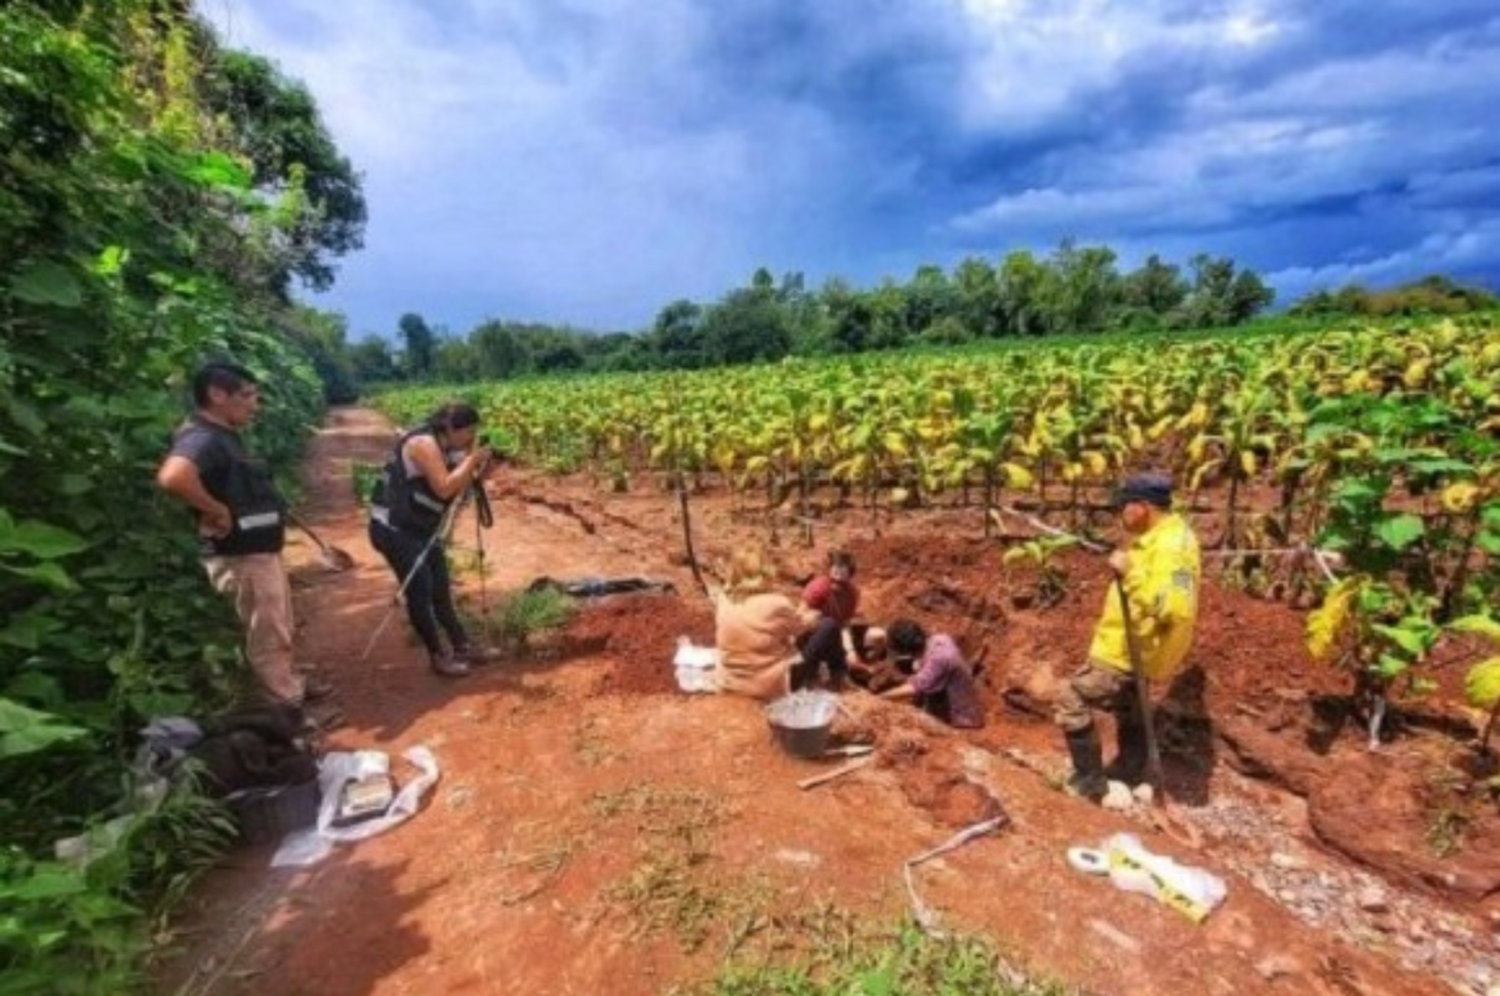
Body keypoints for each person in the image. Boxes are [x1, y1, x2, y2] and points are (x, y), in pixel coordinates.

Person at [156, 361, 335, 719]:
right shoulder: (203, 437)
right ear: (217, 395)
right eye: (248, 395)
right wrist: (215, 510)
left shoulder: (223, 435)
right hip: (241, 556)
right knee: (266, 636)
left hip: (257, 552)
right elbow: (173, 477)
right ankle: (286, 714)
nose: (256, 403)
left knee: (277, 627)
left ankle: (289, 686)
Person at [1054, 471, 1201, 801]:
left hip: (1132, 650)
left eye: (1124, 507)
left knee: (1070, 697)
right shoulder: (1158, 535)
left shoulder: (1172, 548)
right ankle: (1129, 773)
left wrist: (1131, 574)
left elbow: (1175, 608)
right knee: (1130, 710)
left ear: (1143, 506)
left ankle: (1089, 780)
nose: (1120, 514)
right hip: (1136, 645)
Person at [368, 402, 498, 678]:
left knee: (440, 587)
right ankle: (438, 657)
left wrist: (483, 466)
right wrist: (471, 460)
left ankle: (462, 646)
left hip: (421, 529)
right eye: (469, 431)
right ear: (451, 428)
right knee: (421, 590)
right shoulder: (423, 444)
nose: (471, 438)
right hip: (394, 529)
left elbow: (464, 484)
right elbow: (444, 488)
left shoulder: (450, 447)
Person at [714, 546, 818, 700]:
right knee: (828, 626)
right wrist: (813, 616)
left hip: (729, 682)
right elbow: (800, 628)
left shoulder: (723, 599)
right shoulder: (776, 603)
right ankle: (840, 674)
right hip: (767, 685)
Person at [878, 619, 985, 728]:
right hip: (965, 702)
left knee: (907, 719)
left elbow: (913, 688)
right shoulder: (939, 639)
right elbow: (923, 664)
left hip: (962, 718)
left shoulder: (938, 660)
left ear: (903, 649)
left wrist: (880, 698)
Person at [792, 550, 861, 691]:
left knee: (833, 628)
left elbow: (845, 625)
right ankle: (801, 671)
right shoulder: (819, 586)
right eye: (835, 567)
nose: (838, 572)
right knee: (829, 624)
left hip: (831, 636)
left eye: (843, 569)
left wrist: (850, 650)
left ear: (850, 573)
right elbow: (799, 617)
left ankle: (839, 676)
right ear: (829, 569)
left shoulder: (851, 593)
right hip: (809, 637)